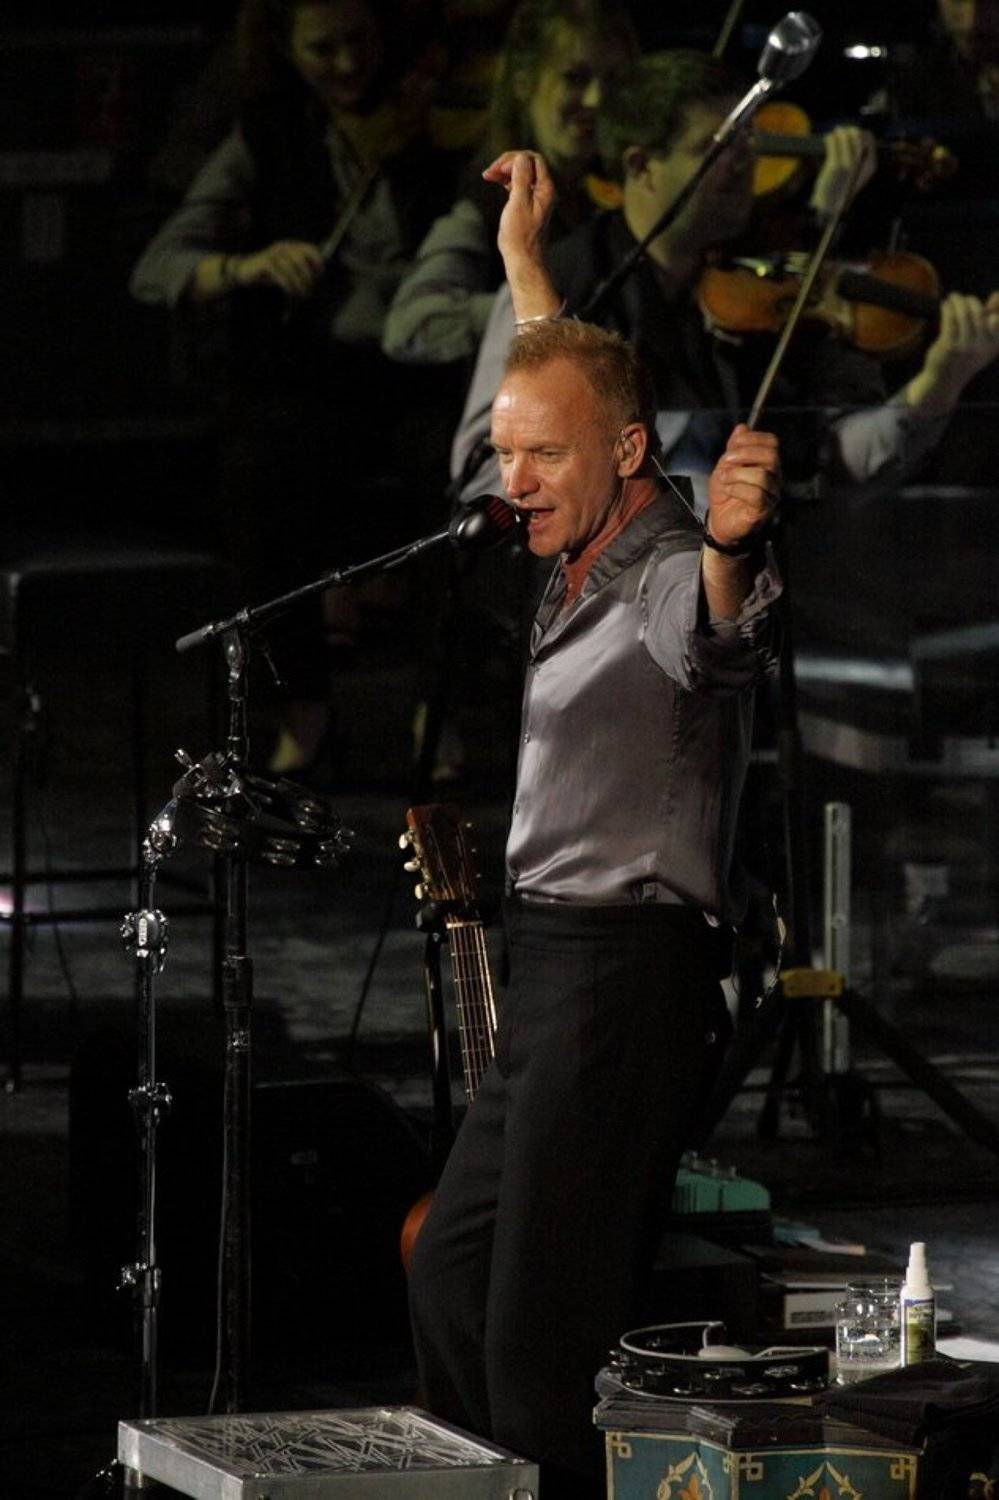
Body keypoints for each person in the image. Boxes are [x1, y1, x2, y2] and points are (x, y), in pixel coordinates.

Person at [406, 148, 783, 1497]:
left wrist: (731, 553)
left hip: (627, 977)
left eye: (538, 457)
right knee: (449, 1275)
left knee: (540, 1344)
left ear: (626, 455)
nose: (510, 478)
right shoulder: (576, 531)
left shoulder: (664, 565)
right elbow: (566, 386)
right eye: (503, 453)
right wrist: (524, 262)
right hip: (551, 969)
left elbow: (715, 640)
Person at [453, 50, 999, 517]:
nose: (747, 161)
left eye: (748, 141)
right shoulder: (561, 283)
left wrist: (938, 384)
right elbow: (484, 477)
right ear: (641, 166)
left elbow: (831, 462)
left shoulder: (762, 282)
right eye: (715, 147)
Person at [130, 0, 458, 777]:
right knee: (260, 472)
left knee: (463, 478)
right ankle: (303, 705)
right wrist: (247, 266)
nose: (346, 66)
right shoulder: (268, 133)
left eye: (360, 42)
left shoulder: (431, 122)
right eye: (323, 49)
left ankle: (437, 707)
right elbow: (158, 268)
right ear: (285, 48)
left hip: (418, 367)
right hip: (310, 371)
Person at [381, 0, 637, 368]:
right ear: (524, 81)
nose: (597, 99)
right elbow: (411, 324)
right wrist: (534, 310)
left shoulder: (613, 195)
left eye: (613, 81)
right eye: (575, 77)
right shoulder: (490, 196)